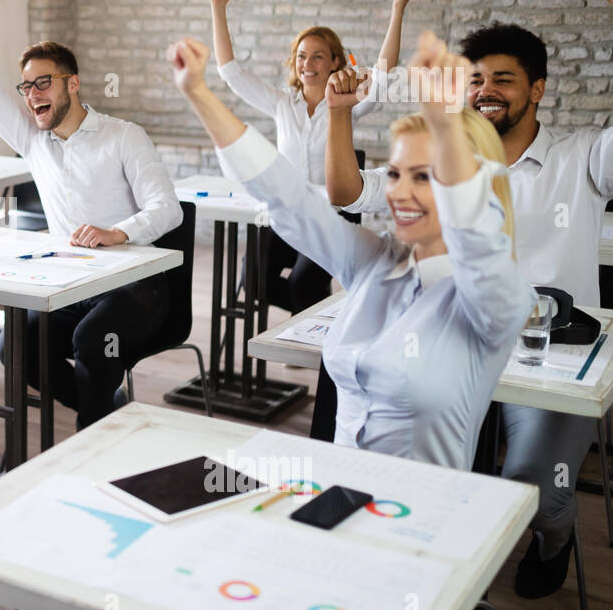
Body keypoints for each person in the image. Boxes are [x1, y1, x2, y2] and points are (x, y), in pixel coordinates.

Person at [323, 0, 613, 597]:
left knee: (537, 474)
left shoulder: (583, 157)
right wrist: (340, 114)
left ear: (537, 88)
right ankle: (415, 572)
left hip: (548, 355)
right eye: (475, 79)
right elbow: (347, 193)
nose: (486, 91)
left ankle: (552, 538)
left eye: (503, 79)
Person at [170, 29, 534, 470]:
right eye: (397, 175)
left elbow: (477, 241)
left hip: (419, 518)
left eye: (425, 176)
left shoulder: (498, 297)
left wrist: (442, 120)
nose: (400, 194)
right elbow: (289, 198)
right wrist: (199, 94)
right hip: (340, 499)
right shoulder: (374, 261)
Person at [0, 0, 183, 429]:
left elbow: (168, 209)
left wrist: (117, 232)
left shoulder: (123, 136)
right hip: (72, 285)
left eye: (44, 82)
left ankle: (93, 440)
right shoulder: (34, 142)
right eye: (27, 87)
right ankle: (104, 416)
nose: (34, 93)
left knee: (93, 339)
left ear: (72, 84)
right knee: (14, 346)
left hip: (137, 286)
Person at [209, 0, 415, 313]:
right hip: (286, 214)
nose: (307, 64)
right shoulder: (281, 103)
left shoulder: (347, 101)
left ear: (335, 62)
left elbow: (383, 77)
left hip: (330, 217)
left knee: (304, 283)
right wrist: (218, 8)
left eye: (318, 57)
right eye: (302, 56)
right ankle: (311, 320)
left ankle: (315, 327)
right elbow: (230, 73)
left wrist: (398, 8)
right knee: (254, 281)